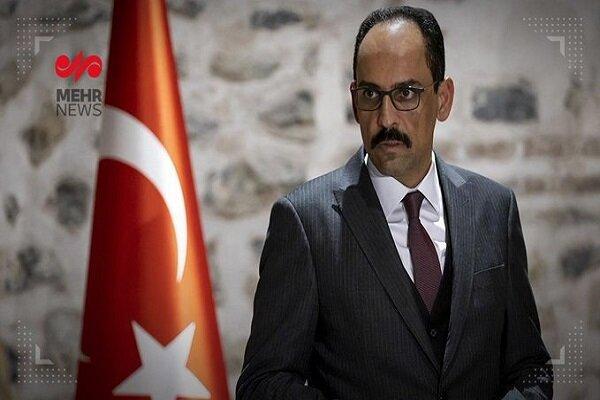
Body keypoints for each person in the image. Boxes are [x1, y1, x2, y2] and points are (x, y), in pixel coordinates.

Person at [236, 6, 553, 400]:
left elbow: (530, 369)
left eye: (406, 93)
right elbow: (262, 385)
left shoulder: (495, 209)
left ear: (443, 99)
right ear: (355, 101)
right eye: (371, 94)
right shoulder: (304, 222)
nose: (386, 118)